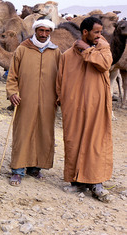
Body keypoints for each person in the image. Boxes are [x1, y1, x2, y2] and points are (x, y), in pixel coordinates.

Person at [56, 16, 113, 202]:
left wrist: (88, 50)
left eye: (101, 32)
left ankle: (96, 183)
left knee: (95, 143)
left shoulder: (103, 49)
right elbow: (60, 81)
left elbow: (105, 65)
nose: (99, 35)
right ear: (85, 32)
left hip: (96, 108)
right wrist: (63, 100)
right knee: (73, 141)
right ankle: (77, 181)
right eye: (96, 32)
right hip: (74, 108)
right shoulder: (67, 56)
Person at [6, 19, 61, 186]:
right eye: (41, 31)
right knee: (23, 132)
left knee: (43, 132)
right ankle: (17, 170)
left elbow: (61, 77)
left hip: (48, 100)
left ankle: (35, 168)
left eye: (47, 31)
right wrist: (12, 93)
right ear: (35, 30)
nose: (44, 34)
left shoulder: (55, 52)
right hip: (25, 99)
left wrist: (60, 95)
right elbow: (12, 75)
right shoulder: (22, 49)